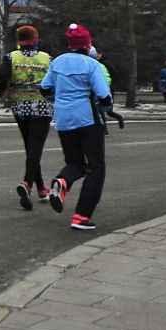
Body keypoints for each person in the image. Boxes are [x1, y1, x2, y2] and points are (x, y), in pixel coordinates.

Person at [41, 22, 112, 232]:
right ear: (87, 44)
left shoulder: (58, 62)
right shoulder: (92, 65)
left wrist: (60, 99)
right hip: (87, 119)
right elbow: (103, 95)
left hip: (63, 120)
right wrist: (105, 109)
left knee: (75, 162)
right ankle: (81, 216)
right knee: (96, 168)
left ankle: (63, 181)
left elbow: (45, 88)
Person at [0, 24, 53, 209]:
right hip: (42, 106)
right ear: (35, 40)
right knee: (36, 147)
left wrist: (2, 92)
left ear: (19, 41)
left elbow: (2, 75)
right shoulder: (47, 58)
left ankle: (42, 188)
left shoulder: (12, 57)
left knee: (30, 147)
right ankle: (27, 183)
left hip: (20, 106)